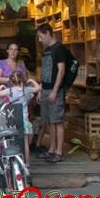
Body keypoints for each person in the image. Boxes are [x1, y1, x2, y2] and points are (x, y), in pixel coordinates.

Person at [37, 23, 68, 163]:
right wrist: (40, 89)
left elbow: (61, 71)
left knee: (57, 121)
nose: (40, 40)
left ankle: (59, 152)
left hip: (55, 90)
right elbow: (45, 71)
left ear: (48, 33)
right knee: (49, 121)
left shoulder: (59, 48)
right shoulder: (46, 50)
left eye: (41, 37)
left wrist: (55, 91)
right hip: (45, 89)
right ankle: (51, 149)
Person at [0, 72, 40, 164]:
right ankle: (26, 163)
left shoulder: (9, 91)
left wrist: (1, 86)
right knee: (25, 143)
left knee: (12, 141)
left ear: (11, 81)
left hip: (13, 119)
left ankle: (13, 161)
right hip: (24, 120)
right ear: (22, 80)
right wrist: (31, 80)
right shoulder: (26, 90)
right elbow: (38, 88)